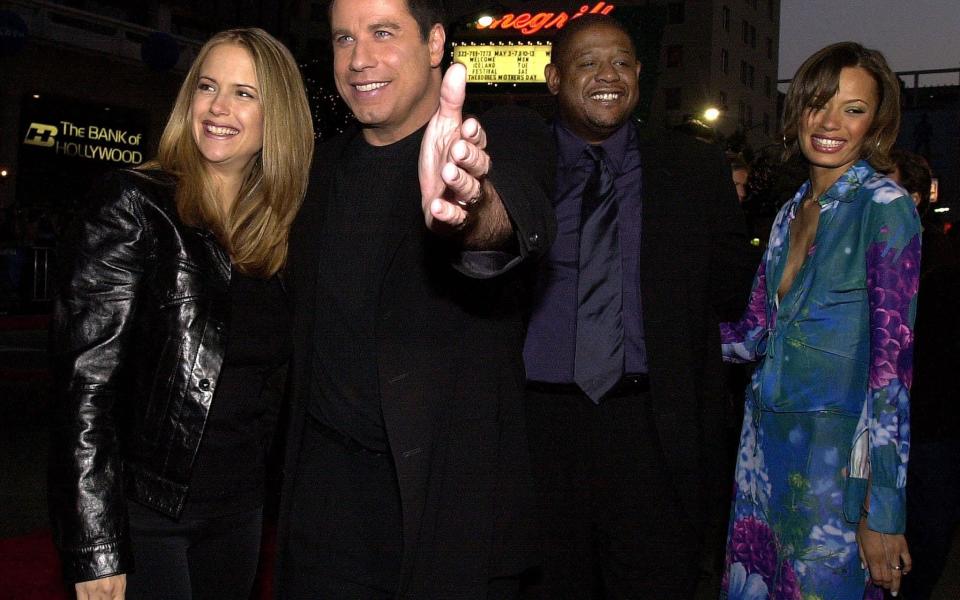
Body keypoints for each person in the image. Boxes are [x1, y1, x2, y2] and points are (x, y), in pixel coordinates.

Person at [274, 0, 555, 597]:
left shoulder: (502, 139)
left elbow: (509, 222)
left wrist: (467, 207)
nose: (358, 60)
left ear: (434, 45)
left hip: (451, 511)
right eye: (343, 39)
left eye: (382, 33)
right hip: (324, 507)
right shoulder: (315, 172)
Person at [48, 28, 313, 600]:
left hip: (240, 513)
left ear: (279, 117)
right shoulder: (133, 205)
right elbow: (84, 390)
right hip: (147, 514)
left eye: (245, 93)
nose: (219, 107)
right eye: (208, 86)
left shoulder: (281, 233)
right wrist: (95, 545)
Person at [521, 14, 753, 598]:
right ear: (553, 79)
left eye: (623, 62)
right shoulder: (517, 163)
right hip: (535, 430)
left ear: (641, 76)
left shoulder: (693, 169)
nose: (609, 75)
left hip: (653, 428)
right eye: (588, 63)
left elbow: (729, 288)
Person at [719, 42, 920, 599]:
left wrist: (882, 510)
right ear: (798, 111)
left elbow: (891, 375)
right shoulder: (789, 213)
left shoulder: (886, 207)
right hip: (761, 455)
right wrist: (658, 328)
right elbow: (755, 336)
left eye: (853, 109)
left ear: (875, 124)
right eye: (818, 104)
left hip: (833, 471)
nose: (831, 123)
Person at [888, 149, 960, 600]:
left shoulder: (940, 261)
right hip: (876, 427)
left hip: (930, 430)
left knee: (924, 540)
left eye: (887, 186)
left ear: (913, 197)